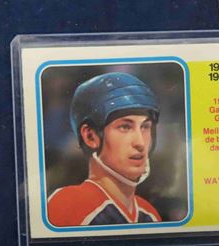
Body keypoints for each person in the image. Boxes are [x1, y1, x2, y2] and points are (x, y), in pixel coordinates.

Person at [47, 72, 162, 226]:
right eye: (125, 127)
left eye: (145, 126)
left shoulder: (149, 213)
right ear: (90, 136)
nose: (140, 142)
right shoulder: (68, 204)